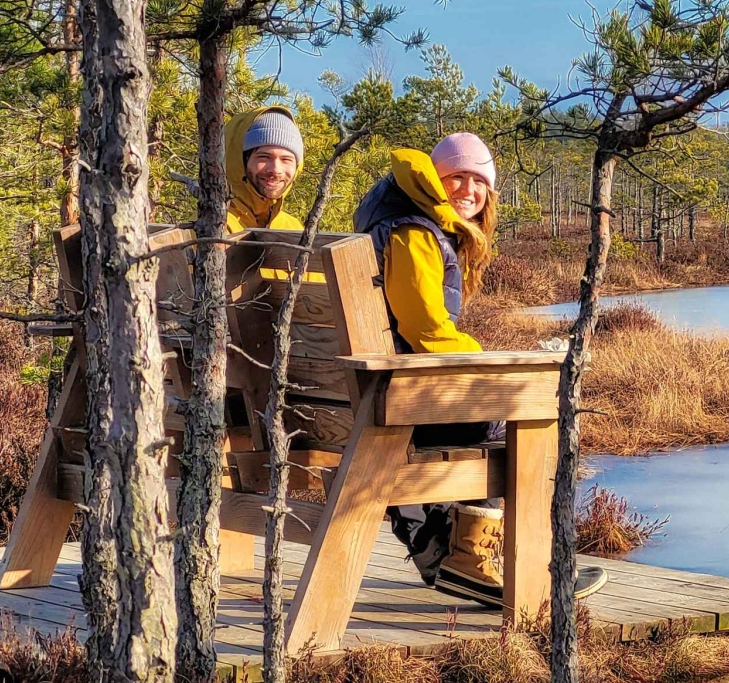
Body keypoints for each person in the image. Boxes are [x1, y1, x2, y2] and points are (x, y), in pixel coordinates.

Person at [354, 132, 605, 605]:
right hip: (397, 401)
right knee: (509, 414)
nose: (468, 189)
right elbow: (426, 329)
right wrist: (488, 359)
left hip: (371, 396)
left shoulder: (400, 220)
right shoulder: (415, 232)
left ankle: (435, 548)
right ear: (433, 180)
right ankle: (482, 561)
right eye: (455, 177)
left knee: (496, 406)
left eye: (478, 181)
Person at [224, 106, 304, 232]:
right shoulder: (211, 226)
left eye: (286, 159)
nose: (276, 170)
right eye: (264, 157)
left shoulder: (293, 228)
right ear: (241, 160)